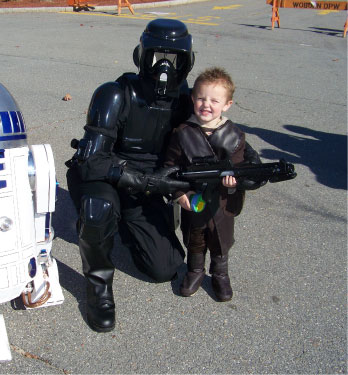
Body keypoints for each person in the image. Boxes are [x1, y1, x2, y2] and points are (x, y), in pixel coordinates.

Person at [66, 20, 262, 332]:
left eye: (174, 60)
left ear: (188, 63)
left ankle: (126, 226)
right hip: (106, 177)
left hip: (152, 184)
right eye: (156, 57)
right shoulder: (115, 94)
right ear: (139, 56)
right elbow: (90, 161)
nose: (163, 68)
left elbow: (221, 134)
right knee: (98, 209)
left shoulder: (188, 101)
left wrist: (247, 170)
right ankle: (98, 289)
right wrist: (148, 183)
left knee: (165, 267)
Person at [164, 66, 246, 302]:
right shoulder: (182, 133)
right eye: (201, 98)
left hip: (222, 201)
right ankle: (195, 271)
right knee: (195, 238)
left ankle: (220, 274)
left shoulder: (235, 136)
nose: (206, 105)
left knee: (220, 240)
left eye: (214, 100)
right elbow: (171, 167)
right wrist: (180, 193)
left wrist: (234, 182)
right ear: (192, 99)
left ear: (227, 104)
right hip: (194, 198)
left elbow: (239, 168)